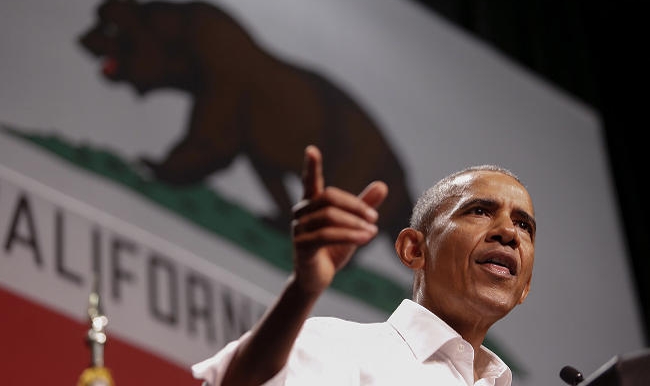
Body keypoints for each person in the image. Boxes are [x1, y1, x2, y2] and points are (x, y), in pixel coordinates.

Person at [192, 144, 536, 385]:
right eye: (480, 211)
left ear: (525, 288)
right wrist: (302, 289)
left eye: (524, 225)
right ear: (413, 249)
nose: (509, 232)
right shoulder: (337, 347)